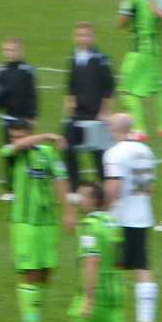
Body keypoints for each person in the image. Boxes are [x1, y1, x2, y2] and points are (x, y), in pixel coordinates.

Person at [0, 121, 73, 322]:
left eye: (19, 136)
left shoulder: (48, 154)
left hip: (46, 221)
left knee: (46, 271)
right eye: (12, 136)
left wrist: (68, 212)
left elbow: (60, 181)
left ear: (29, 133)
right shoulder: (12, 154)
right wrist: (45, 135)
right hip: (24, 223)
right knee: (30, 272)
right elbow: (12, 148)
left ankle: (36, 318)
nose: (15, 140)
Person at [62, 182, 131, 322]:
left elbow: (91, 261)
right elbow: (121, 260)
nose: (79, 200)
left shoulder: (89, 226)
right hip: (116, 292)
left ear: (95, 201)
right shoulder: (113, 223)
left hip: (97, 294)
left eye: (83, 196)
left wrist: (88, 298)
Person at [103, 113, 159, 322]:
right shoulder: (146, 151)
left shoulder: (114, 154)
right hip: (142, 215)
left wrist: (103, 213)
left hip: (120, 218)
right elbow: (151, 188)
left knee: (109, 269)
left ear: (113, 130)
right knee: (142, 268)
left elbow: (113, 187)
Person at [63, 21, 117, 193]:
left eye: (86, 35)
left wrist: (104, 112)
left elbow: (109, 87)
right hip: (77, 114)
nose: (83, 38)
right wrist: (69, 105)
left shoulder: (100, 59)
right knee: (68, 148)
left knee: (99, 155)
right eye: (79, 35)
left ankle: (104, 190)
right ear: (74, 37)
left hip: (95, 115)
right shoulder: (74, 57)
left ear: (92, 37)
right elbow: (70, 85)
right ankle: (74, 188)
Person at [116, 0, 162, 135]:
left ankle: (138, 129)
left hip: (138, 52)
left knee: (127, 90)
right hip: (154, 51)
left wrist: (124, 20)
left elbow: (121, 22)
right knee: (155, 88)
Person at [0, 38, 39, 200]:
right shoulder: (1, 70)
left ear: (20, 51)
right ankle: (9, 188)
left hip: (23, 120)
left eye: (12, 50)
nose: (9, 53)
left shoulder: (26, 71)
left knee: (25, 156)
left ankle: (26, 186)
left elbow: (32, 94)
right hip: (7, 119)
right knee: (7, 154)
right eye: (6, 50)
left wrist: (32, 116)